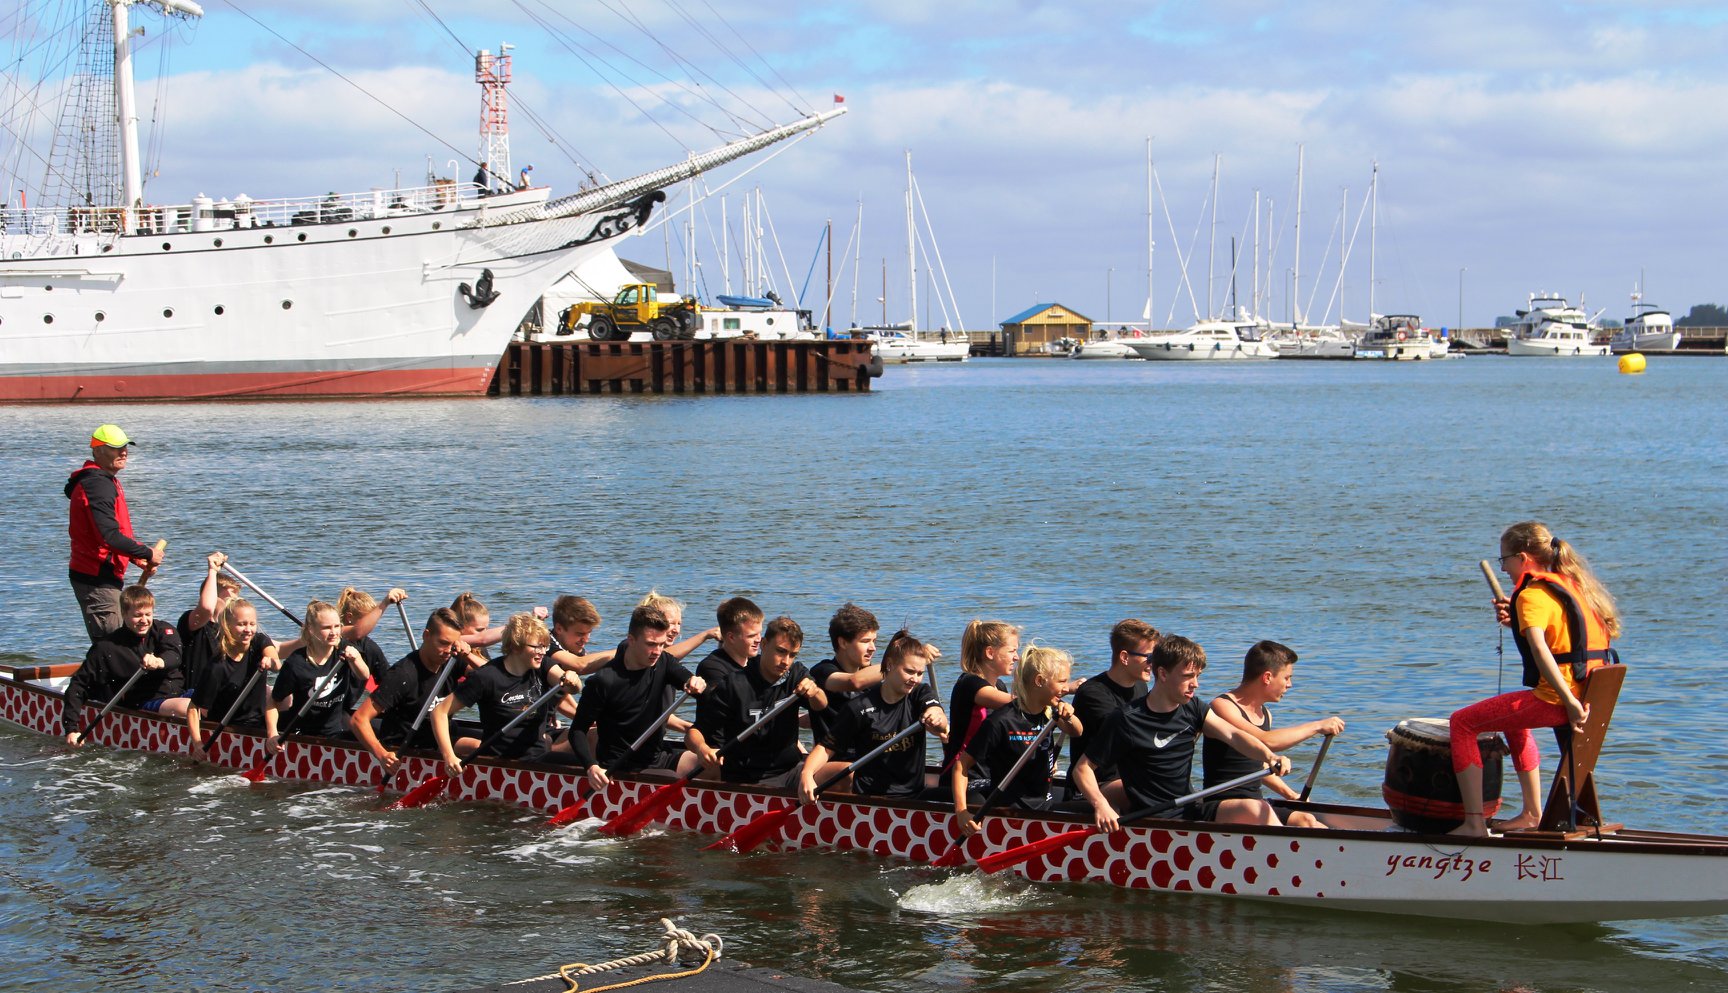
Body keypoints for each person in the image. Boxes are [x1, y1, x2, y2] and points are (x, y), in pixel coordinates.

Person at [1448, 521, 1622, 837]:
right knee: (1515, 723)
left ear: (1524, 558)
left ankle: (1473, 824)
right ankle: (1531, 814)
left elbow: (1541, 651)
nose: (1503, 569)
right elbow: (1565, 636)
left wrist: (1568, 703)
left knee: (1461, 723)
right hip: (1592, 695)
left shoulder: (1532, 594)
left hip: (1563, 700)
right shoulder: (1573, 585)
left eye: (1504, 560)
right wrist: (1517, 620)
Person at [1072, 635, 1291, 831]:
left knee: (1255, 808)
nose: (1195, 684)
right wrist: (1101, 806)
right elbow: (1082, 769)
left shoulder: (1193, 708)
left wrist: (1269, 756)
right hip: (1155, 820)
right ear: (1163, 674)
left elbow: (1233, 735)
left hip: (1190, 808)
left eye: (1198, 676)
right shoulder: (1127, 719)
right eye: (1188, 676)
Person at [1204, 640, 1344, 829]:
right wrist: (1318, 726)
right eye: (1286, 678)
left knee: (1307, 821)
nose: (1290, 685)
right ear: (1267, 677)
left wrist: (1291, 795)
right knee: (1258, 809)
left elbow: (1257, 765)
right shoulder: (1223, 706)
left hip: (1256, 802)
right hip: (1220, 804)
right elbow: (1266, 742)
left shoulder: (1266, 714)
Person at [568, 604, 707, 788]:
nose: (657, 651)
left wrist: (696, 682)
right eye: (650, 644)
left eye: (661, 644)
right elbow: (577, 731)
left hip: (658, 757)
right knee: (671, 779)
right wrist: (591, 767)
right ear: (631, 640)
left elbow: (686, 678)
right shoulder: (603, 681)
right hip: (622, 767)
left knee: (712, 765)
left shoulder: (663, 661)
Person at [800, 629, 947, 802]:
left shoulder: (919, 694)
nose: (915, 679)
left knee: (971, 798)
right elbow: (826, 748)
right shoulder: (860, 707)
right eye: (909, 671)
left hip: (914, 794)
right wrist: (807, 774)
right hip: (873, 798)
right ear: (890, 665)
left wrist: (936, 717)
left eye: (920, 673)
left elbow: (940, 719)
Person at [950, 644, 1081, 835]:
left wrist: (1069, 716)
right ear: (1039, 681)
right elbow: (961, 766)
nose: (1065, 688)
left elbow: (1077, 731)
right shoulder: (1001, 721)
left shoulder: (1051, 713)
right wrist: (961, 812)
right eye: (1062, 682)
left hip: (1044, 805)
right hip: (1011, 812)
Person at [687, 615, 826, 787]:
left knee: (845, 776)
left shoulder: (796, 674)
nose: (786, 662)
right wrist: (702, 749)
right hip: (747, 777)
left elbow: (821, 705)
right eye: (781, 651)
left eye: (793, 655)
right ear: (764, 644)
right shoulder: (734, 684)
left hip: (790, 771)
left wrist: (815, 692)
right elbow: (694, 732)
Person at [433, 613, 582, 773]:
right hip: (503, 763)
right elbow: (439, 712)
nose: (541, 652)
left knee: (589, 763)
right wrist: (449, 756)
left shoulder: (543, 666)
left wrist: (572, 680)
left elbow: (570, 686)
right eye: (536, 647)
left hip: (537, 757)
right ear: (516, 646)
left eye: (544, 646)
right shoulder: (486, 677)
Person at [349, 607, 479, 777]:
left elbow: (492, 676)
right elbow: (359, 719)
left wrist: (468, 655)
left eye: (453, 644)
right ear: (426, 635)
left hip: (441, 737)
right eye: (443, 643)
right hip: (408, 745)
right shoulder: (403, 674)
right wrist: (382, 755)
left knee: (488, 747)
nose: (448, 650)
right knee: (478, 748)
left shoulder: (452, 659)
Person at [66, 424, 163, 642]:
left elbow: (113, 534)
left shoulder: (104, 481)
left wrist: (136, 557)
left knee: (119, 642)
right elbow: (108, 536)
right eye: (116, 448)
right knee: (111, 646)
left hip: (104, 575)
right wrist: (147, 553)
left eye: (125, 447)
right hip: (96, 578)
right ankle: (95, 677)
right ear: (98, 450)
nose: (124, 452)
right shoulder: (97, 484)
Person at [62, 585, 187, 744]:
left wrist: (158, 661)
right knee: (188, 708)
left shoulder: (164, 630)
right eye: (137, 615)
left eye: (148, 614)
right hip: (145, 700)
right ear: (124, 614)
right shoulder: (106, 648)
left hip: (178, 692)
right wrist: (71, 728)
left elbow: (175, 656)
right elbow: (78, 687)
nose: (144, 620)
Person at [1066, 619, 1160, 803]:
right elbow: (1131, 734)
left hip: (1125, 778)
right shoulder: (1093, 693)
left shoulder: (1140, 686)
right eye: (1149, 658)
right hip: (1093, 784)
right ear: (1124, 657)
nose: (1153, 664)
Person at [265, 601, 371, 750]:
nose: (334, 632)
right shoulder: (296, 663)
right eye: (326, 628)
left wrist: (356, 659)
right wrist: (272, 734)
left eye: (337, 626)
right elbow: (273, 701)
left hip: (334, 731)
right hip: (302, 732)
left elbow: (363, 675)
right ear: (310, 629)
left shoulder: (345, 650)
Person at [185, 597, 281, 754]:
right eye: (241, 624)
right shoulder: (217, 666)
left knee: (278, 696)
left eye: (252, 624)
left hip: (258, 721)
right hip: (227, 725)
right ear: (227, 626)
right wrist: (197, 743)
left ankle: (273, 734)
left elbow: (277, 665)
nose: (248, 630)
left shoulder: (259, 642)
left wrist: (270, 660)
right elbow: (193, 708)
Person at [940, 619, 1019, 779]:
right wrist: (1058, 690)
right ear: (990, 653)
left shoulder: (1001, 686)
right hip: (963, 775)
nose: (1016, 657)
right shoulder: (969, 684)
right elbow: (1018, 703)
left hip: (990, 773)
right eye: (1012, 651)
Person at [808, 603, 883, 759]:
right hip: (833, 760)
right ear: (843, 643)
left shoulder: (873, 676)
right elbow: (854, 682)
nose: (873, 648)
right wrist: (898, 663)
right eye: (865, 641)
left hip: (866, 757)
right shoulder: (822, 671)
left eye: (874, 641)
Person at [177, 551, 243, 698]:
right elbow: (207, 608)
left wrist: (304, 638)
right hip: (194, 696)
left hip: (222, 694)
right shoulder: (191, 622)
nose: (234, 606)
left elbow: (277, 648)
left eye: (236, 601)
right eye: (229, 600)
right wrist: (212, 571)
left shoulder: (233, 630)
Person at [693, 596, 764, 686]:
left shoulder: (759, 662)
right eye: (751, 636)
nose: (758, 640)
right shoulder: (711, 668)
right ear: (731, 637)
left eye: (759, 633)